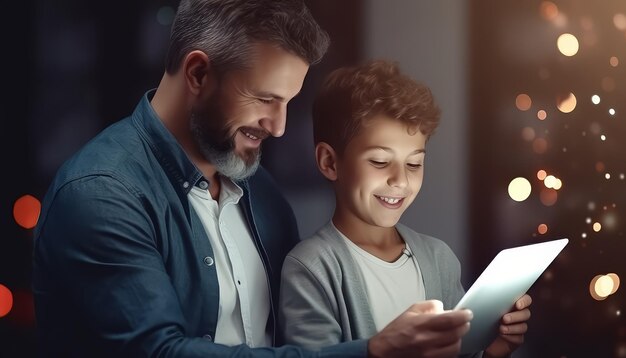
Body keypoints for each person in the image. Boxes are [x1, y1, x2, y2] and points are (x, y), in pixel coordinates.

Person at [32, 1, 473, 357]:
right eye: (265, 98)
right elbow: (158, 352)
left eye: (288, 102)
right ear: (199, 73)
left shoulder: (260, 192)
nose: (279, 127)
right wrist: (371, 352)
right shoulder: (100, 194)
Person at [278, 60, 532, 358]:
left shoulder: (439, 259)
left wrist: (494, 351)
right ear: (330, 162)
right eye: (380, 162)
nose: (400, 180)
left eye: (414, 164)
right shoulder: (311, 268)